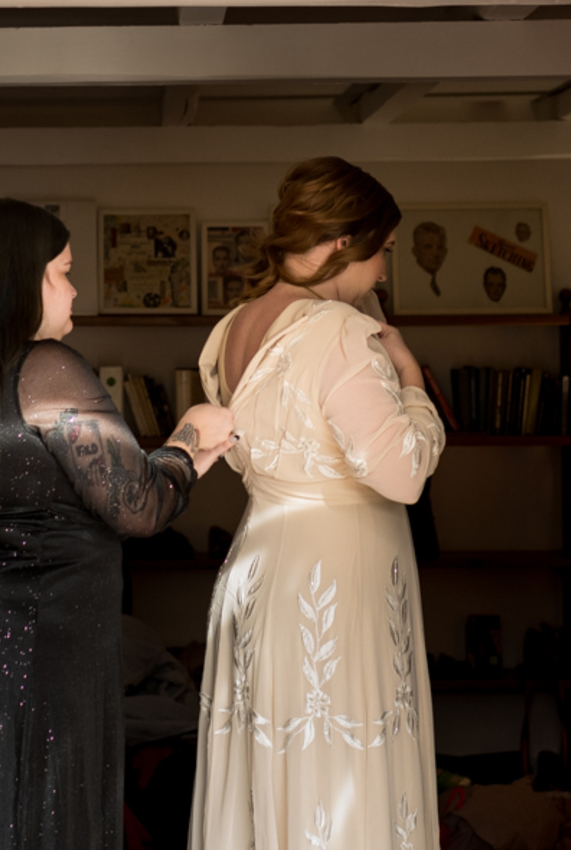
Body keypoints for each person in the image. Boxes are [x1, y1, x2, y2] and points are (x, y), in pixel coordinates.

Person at [0, 198, 236, 850]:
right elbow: (137, 504)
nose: (76, 287)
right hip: (16, 644)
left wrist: (179, 459)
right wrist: (189, 438)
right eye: (62, 270)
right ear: (16, 281)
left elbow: (14, 497)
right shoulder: (44, 366)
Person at [189, 157, 446, 850]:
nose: (385, 271)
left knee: (275, 759)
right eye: (383, 250)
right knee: (339, 763)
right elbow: (403, 474)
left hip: (260, 562)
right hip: (333, 578)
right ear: (343, 241)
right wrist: (415, 385)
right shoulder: (337, 331)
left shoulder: (232, 328)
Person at [412, 219, 448, 297]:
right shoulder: (409, 285)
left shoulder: (449, 284)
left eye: (440, 247)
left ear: (445, 252)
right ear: (415, 252)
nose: (435, 254)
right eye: (428, 247)